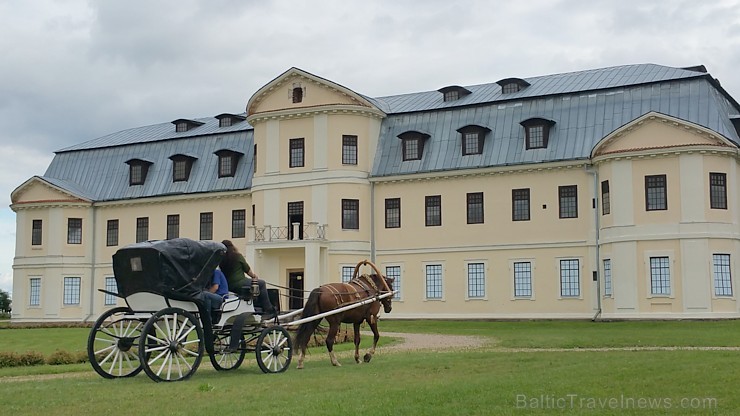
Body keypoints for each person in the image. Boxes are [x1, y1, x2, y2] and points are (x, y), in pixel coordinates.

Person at [219, 239, 276, 319]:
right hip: (240, 283)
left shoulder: (221, 259)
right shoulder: (237, 256)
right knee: (261, 283)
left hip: (229, 286)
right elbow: (247, 269)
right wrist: (254, 277)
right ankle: (268, 309)